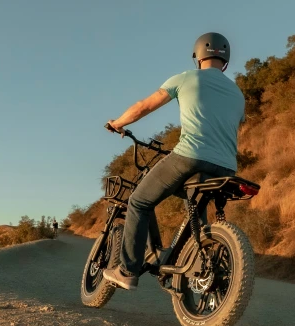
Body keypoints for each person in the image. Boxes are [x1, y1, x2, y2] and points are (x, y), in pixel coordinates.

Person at [103, 32, 245, 290]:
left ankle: (127, 270)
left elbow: (144, 106)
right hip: (226, 166)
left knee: (139, 201)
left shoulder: (186, 78)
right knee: (195, 202)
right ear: (225, 62)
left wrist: (117, 123)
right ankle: (187, 263)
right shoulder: (237, 94)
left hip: (190, 154)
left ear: (197, 56)